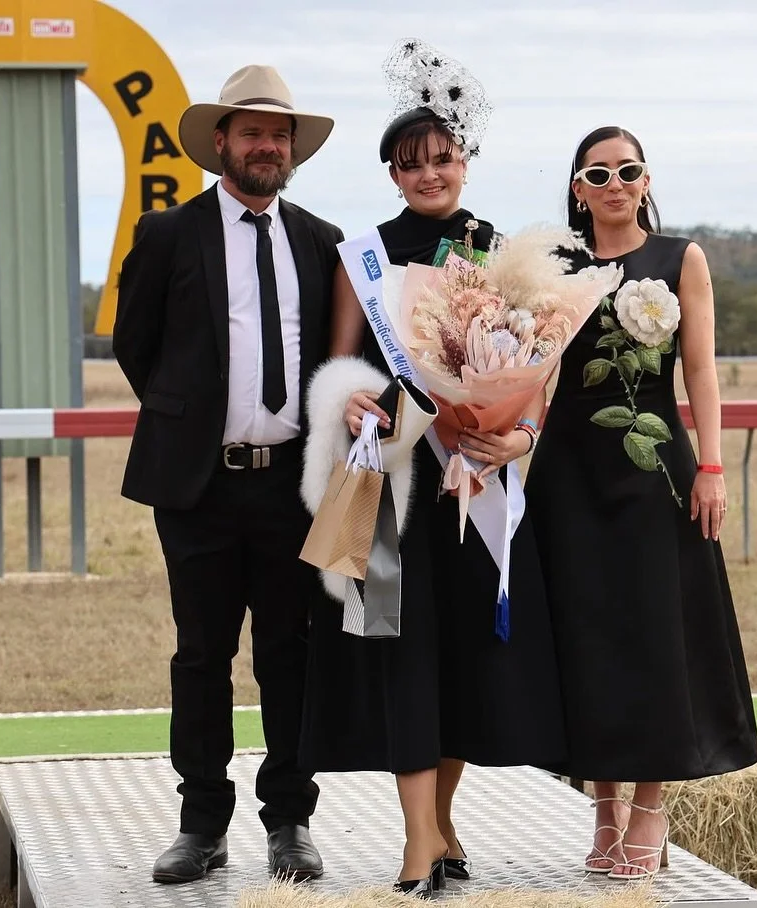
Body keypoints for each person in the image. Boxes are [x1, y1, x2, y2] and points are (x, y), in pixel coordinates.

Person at [298, 40, 567, 898]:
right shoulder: (364, 257)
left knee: (457, 664)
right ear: (391, 173)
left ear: (464, 162)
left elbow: (536, 368)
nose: (430, 174)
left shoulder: (498, 249)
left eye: (444, 158)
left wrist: (515, 435)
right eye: (412, 163)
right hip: (395, 489)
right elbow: (338, 365)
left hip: (477, 484)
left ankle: (443, 826)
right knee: (403, 660)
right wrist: (348, 400)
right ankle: (418, 845)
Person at [111, 64, 344, 885]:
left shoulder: (321, 241)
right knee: (202, 656)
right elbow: (133, 345)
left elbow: (336, 356)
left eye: (278, 136)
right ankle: (201, 823)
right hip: (200, 487)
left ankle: (289, 822)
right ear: (221, 144)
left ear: (291, 151)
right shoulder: (168, 234)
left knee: (291, 654)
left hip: (291, 488)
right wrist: (193, 421)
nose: (266, 147)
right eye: (251, 133)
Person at [526, 126, 757, 881]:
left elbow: (700, 369)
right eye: (599, 173)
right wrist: (512, 435)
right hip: (569, 470)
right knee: (584, 635)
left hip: (656, 463)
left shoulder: (679, 258)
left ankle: (651, 809)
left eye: (628, 170)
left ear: (644, 178)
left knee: (656, 634)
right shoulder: (557, 264)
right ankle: (603, 806)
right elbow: (532, 371)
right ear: (578, 187)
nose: (615, 183)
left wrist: (714, 467)